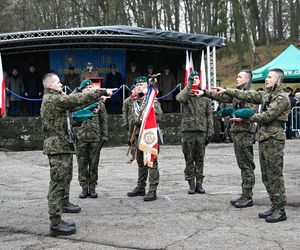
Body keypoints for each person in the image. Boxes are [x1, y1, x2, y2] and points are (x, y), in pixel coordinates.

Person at [213, 68, 290, 223]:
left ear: (278, 80)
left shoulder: (281, 98)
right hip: (264, 137)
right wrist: (227, 90)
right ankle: (274, 206)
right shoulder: (267, 95)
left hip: (274, 138)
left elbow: (268, 116)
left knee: (275, 174)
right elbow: (247, 95)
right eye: (267, 77)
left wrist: (247, 116)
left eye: (269, 77)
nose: (266, 79)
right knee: (267, 176)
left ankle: (280, 209)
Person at [40, 73, 112, 236]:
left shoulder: (55, 99)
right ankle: (55, 224)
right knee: (57, 185)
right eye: (58, 82)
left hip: (62, 145)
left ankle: (59, 214)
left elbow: (66, 122)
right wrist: (100, 91)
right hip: (57, 146)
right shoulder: (53, 99)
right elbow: (76, 100)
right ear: (50, 85)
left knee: (63, 181)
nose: (61, 84)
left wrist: (84, 116)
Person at [204, 70, 257, 208]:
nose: (236, 78)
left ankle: (248, 196)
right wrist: (204, 92)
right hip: (237, 133)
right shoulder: (236, 94)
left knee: (246, 165)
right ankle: (245, 194)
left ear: (247, 79)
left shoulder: (250, 94)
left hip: (245, 133)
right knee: (242, 165)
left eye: (239, 77)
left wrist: (241, 116)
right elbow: (222, 98)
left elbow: (251, 111)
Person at [176, 71, 214, 194]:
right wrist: (189, 85)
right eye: (193, 78)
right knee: (189, 159)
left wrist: (210, 130)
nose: (196, 80)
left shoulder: (205, 97)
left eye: (197, 78)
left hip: (201, 131)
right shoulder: (187, 95)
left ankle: (199, 184)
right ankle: (191, 184)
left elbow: (209, 116)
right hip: (188, 131)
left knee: (200, 159)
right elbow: (179, 98)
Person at [127, 76, 163, 201]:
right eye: (137, 85)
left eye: (141, 85)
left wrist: (142, 122)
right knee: (141, 162)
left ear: (147, 86)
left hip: (150, 135)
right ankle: (141, 187)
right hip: (138, 135)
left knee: (151, 163)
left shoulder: (152, 100)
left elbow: (158, 116)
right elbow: (130, 119)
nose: (138, 87)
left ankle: (152, 190)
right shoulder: (135, 101)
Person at [74, 81, 108, 199]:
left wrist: (104, 136)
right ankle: (84, 188)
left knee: (94, 164)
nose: (89, 89)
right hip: (81, 138)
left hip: (95, 137)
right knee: (82, 164)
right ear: (82, 89)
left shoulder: (98, 103)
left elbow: (103, 121)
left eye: (90, 87)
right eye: (87, 87)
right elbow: (72, 120)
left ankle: (92, 187)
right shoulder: (77, 103)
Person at [122, 85, 137, 163]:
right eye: (133, 90)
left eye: (136, 90)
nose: (135, 91)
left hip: (138, 122)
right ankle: (133, 156)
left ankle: (138, 156)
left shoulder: (140, 100)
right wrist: (125, 123)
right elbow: (124, 113)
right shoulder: (127, 101)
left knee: (138, 139)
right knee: (131, 140)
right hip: (131, 123)